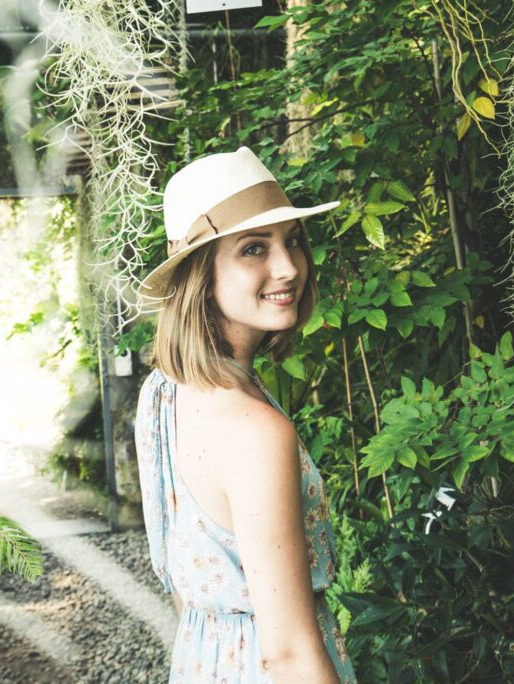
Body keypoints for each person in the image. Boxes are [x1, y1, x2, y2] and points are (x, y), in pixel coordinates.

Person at [133, 146, 357, 683]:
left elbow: (185, 588)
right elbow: (289, 653)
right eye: (254, 248)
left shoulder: (164, 393)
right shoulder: (255, 431)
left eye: (293, 242)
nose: (289, 268)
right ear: (198, 274)